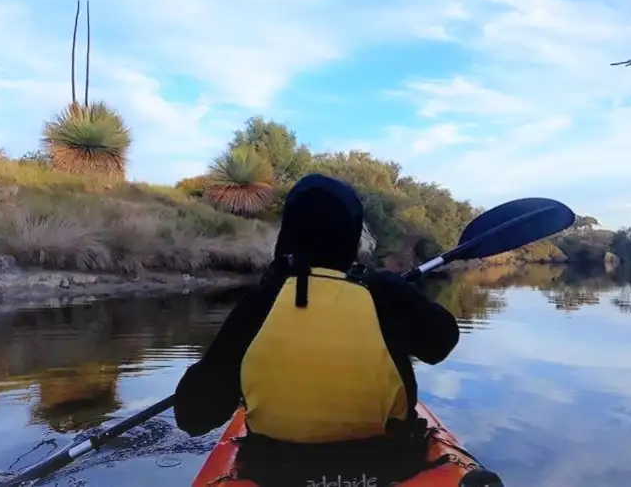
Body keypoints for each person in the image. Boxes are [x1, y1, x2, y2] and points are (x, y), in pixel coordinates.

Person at [173, 173, 460, 484]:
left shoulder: (260, 302)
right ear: (352, 236)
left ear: (289, 235)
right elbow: (442, 342)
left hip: (277, 474)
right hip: (382, 471)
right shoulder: (384, 293)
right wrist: (397, 292)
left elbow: (193, 417)